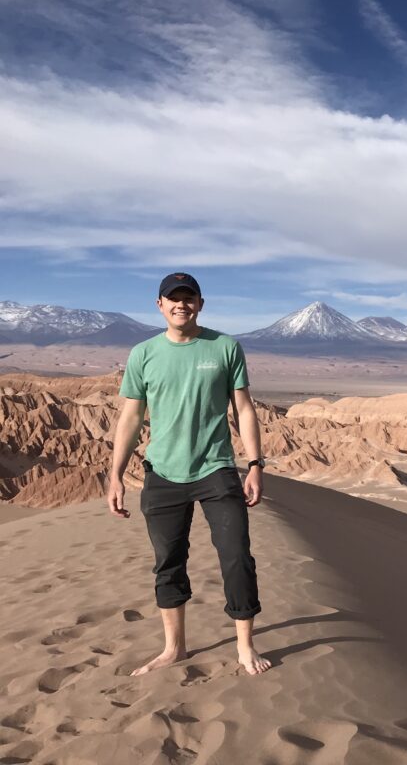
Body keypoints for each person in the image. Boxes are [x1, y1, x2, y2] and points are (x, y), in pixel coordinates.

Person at [106, 272, 271, 676]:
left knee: (236, 558)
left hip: (216, 470)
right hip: (162, 473)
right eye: (172, 298)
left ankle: (245, 647)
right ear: (159, 305)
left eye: (188, 297)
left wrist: (254, 464)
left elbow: (244, 409)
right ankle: (174, 648)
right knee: (168, 563)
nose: (181, 304)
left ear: (200, 303)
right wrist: (115, 474)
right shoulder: (143, 354)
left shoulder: (225, 347)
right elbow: (130, 417)